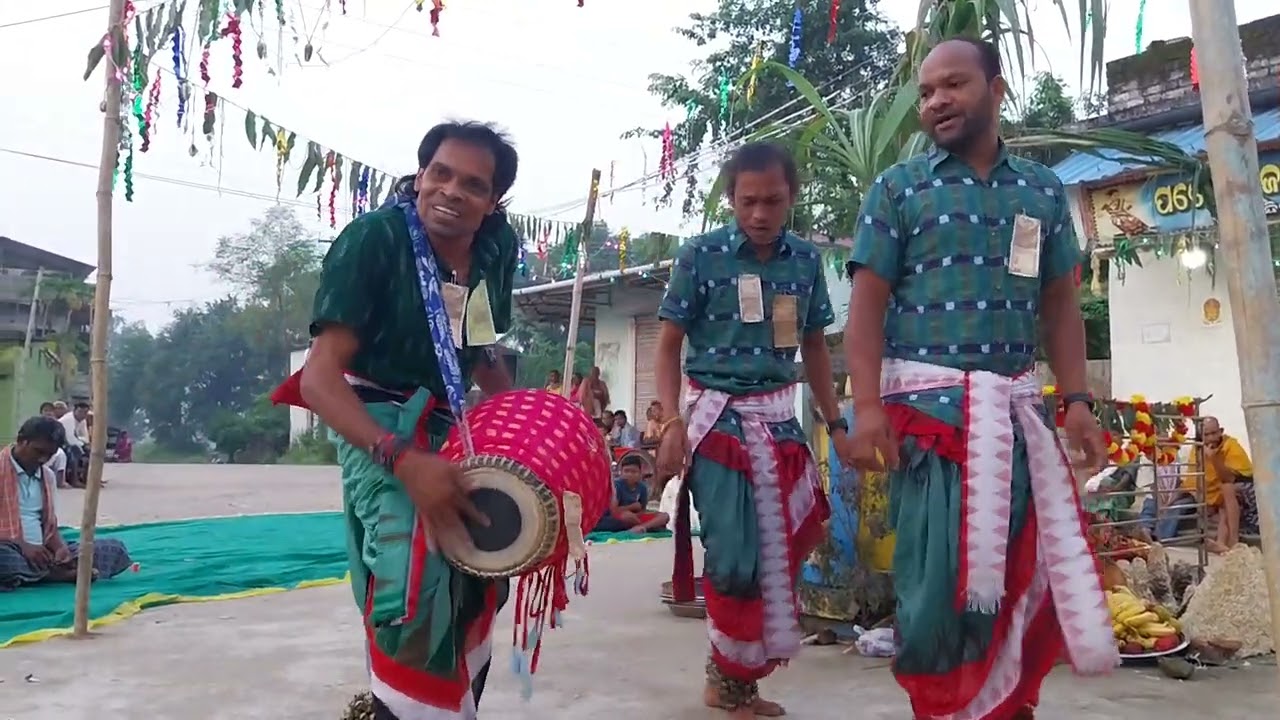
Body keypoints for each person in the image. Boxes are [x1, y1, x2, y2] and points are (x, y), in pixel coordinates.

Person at [843, 38, 1116, 720]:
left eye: (953, 85)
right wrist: (866, 407)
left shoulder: (1043, 190)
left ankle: (1006, 708)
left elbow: (1059, 302)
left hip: (1018, 418)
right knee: (935, 590)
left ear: (996, 91)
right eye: (927, 91)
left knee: (1024, 578)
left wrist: (1077, 400)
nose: (936, 100)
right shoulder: (898, 189)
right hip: (932, 425)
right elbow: (867, 306)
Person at [271, 121, 520, 719]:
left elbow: (482, 346)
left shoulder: (495, 249)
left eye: (473, 184)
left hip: (456, 419)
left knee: (485, 568)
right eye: (440, 173)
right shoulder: (373, 240)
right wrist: (402, 460)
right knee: (415, 589)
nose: (451, 192)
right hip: (376, 415)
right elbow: (318, 378)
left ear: (493, 202)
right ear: (420, 175)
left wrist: (524, 427)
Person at [653, 141, 839, 718]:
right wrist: (672, 421)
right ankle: (729, 676)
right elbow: (667, 344)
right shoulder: (700, 255)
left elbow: (813, 346)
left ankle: (735, 686)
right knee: (733, 557)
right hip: (717, 423)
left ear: (792, 198)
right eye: (748, 201)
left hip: (781, 423)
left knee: (775, 558)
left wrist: (838, 421)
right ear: (730, 199)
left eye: (773, 201)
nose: (760, 214)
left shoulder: (806, 262)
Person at [0, 416, 132, 591]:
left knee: (113, 548)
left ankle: (51, 571)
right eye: (38, 451)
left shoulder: (47, 476)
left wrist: (60, 549)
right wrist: (22, 546)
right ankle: (54, 576)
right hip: (9, 550)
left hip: (43, 553)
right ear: (22, 441)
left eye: (49, 454)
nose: (42, 459)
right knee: (4, 558)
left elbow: (49, 526)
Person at [1139, 416, 1253, 551]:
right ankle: (1159, 539)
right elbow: (1191, 482)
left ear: (1221, 431)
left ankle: (1227, 543)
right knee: (1175, 505)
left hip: (1232, 492)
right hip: (1202, 495)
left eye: (1214, 433)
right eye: (1206, 435)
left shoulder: (1230, 446)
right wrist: (1173, 501)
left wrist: (1213, 458)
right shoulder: (1196, 449)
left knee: (1226, 497)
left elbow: (1228, 479)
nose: (1211, 438)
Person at [593, 455, 669, 534]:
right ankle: (640, 527)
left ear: (640, 473)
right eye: (626, 471)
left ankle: (642, 527)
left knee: (664, 516)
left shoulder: (642, 487)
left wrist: (636, 516)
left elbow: (643, 510)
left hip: (634, 518)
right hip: (614, 518)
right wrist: (632, 507)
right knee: (624, 517)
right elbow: (614, 511)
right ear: (621, 472)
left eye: (634, 472)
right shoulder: (617, 486)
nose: (629, 474)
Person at [38, 403, 69, 488]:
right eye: (46, 410)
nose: (48, 413)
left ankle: (61, 481)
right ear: (41, 413)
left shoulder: (57, 425)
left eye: (50, 411)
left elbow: (62, 439)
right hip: (39, 448)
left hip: (52, 448)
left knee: (61, 454)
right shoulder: (37, 424)